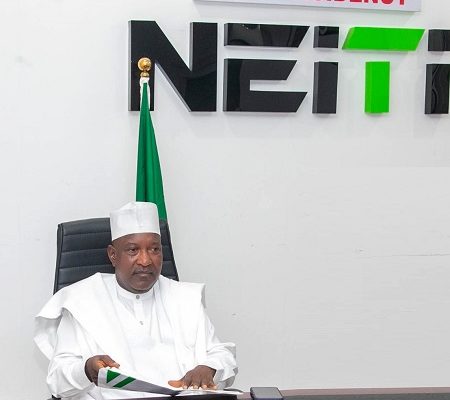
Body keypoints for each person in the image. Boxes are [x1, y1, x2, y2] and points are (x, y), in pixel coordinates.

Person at [34, 202, 237, 400]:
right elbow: (57, 380)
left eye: (154, 249)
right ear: (113, 255)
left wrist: (209, 368)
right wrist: (86, 370)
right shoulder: (80, 301)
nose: (146, 260)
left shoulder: (184, 298)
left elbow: (221, 354)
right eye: (133, 250)